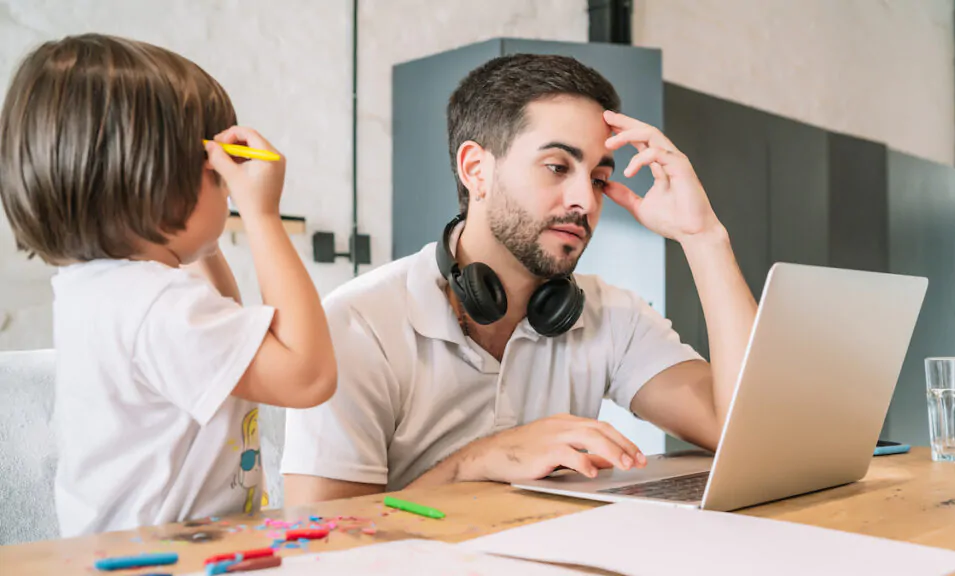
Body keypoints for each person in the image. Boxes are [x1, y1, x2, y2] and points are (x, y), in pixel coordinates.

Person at [281, 54, 757, 504]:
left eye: (597, 178)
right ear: (476, 170)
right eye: (557, 167)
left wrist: (703, 237)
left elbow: (745, 431)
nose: (585, 202)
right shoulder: (357, 323)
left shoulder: (611, 315)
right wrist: (479, 461)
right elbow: (326, 541)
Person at [0, 34, 337, 535]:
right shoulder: (155, 304)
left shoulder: (98, 288)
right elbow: (308, 376)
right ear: (160, 182)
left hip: (125, 548)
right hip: (164, 557)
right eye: (217, 174)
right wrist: (262, 216)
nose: (227, 189)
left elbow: (227, 328)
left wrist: (201, 242)